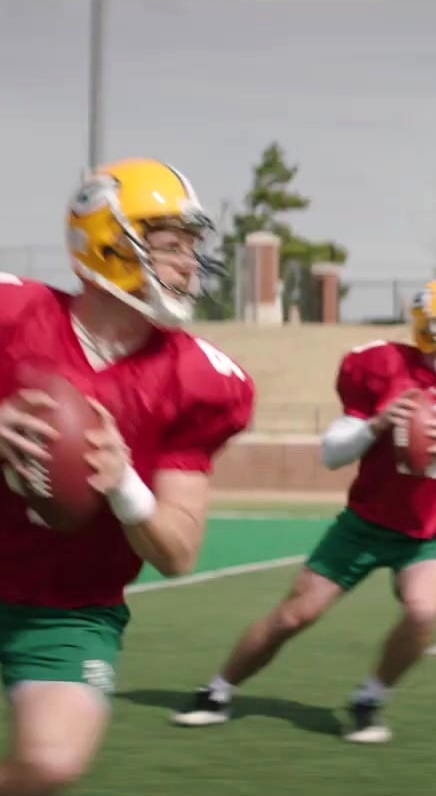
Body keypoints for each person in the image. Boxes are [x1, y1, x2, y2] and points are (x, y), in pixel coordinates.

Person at [171, 278, 436, 744]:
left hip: (429, 533)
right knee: (293, 616)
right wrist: (376, 425)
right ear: (425, 327)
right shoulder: (382, 368)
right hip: (363, 526)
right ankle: (217, 690)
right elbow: (333, 454)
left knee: (424, 612)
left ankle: (369, 699)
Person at [0, 158, 255, 795]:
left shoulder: (197, 379)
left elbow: (177, 551)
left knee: (51, 763)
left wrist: (122, 484)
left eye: (191, 248)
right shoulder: (14, 314)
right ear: (105, 243)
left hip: (68, 610)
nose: (188, 265)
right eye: (170, 246)